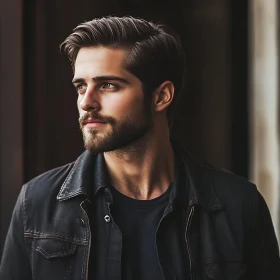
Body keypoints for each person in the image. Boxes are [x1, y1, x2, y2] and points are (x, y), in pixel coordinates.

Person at [0, 16, 279, 280]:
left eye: (108, 85)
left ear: (161, 96)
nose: (87, 102)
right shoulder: (37, 203)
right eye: (81, 86)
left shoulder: (238, 206)